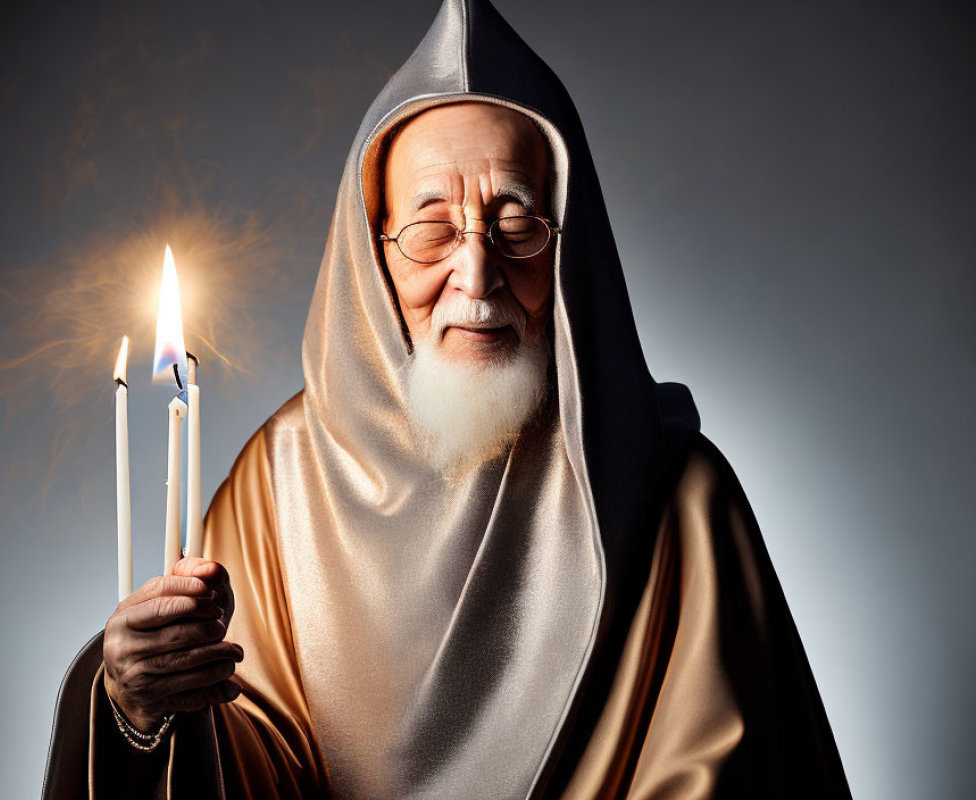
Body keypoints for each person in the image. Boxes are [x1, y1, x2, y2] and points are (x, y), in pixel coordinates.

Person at [42, 1, 852, 798]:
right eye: (431, 231)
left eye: (517, 223)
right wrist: (135, 703)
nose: (476, 275)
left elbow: (728, 770)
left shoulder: (677, 494)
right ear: (372, 257)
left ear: (570, 250)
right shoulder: (275, 483)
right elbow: (240, 758)